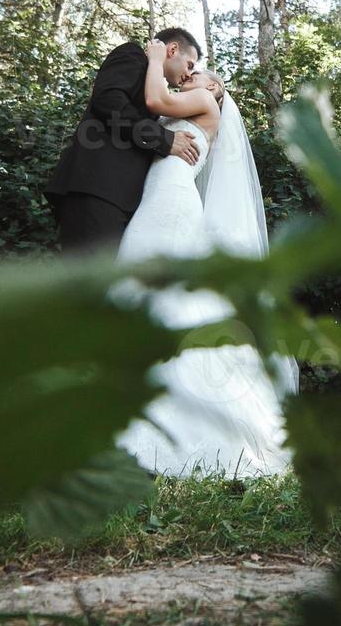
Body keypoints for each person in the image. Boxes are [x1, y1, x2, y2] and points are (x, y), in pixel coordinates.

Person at [109, 40, 295, 477]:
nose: (191, 75)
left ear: (216, 91)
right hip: (159, 199)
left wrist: (156, 59)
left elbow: (156, 99)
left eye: (200, 75)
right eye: (189, 71)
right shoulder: (189, 109)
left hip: (170, 203)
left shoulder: (202, 102)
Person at [44, 28, 202, 255]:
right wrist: (164, 139)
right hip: (97, 187)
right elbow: (109, 101)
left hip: (120, 199)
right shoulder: (133, 55)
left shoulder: (156, 87)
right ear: (173, 49)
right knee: (90, 281)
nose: (189, 74)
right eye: (189, 64)